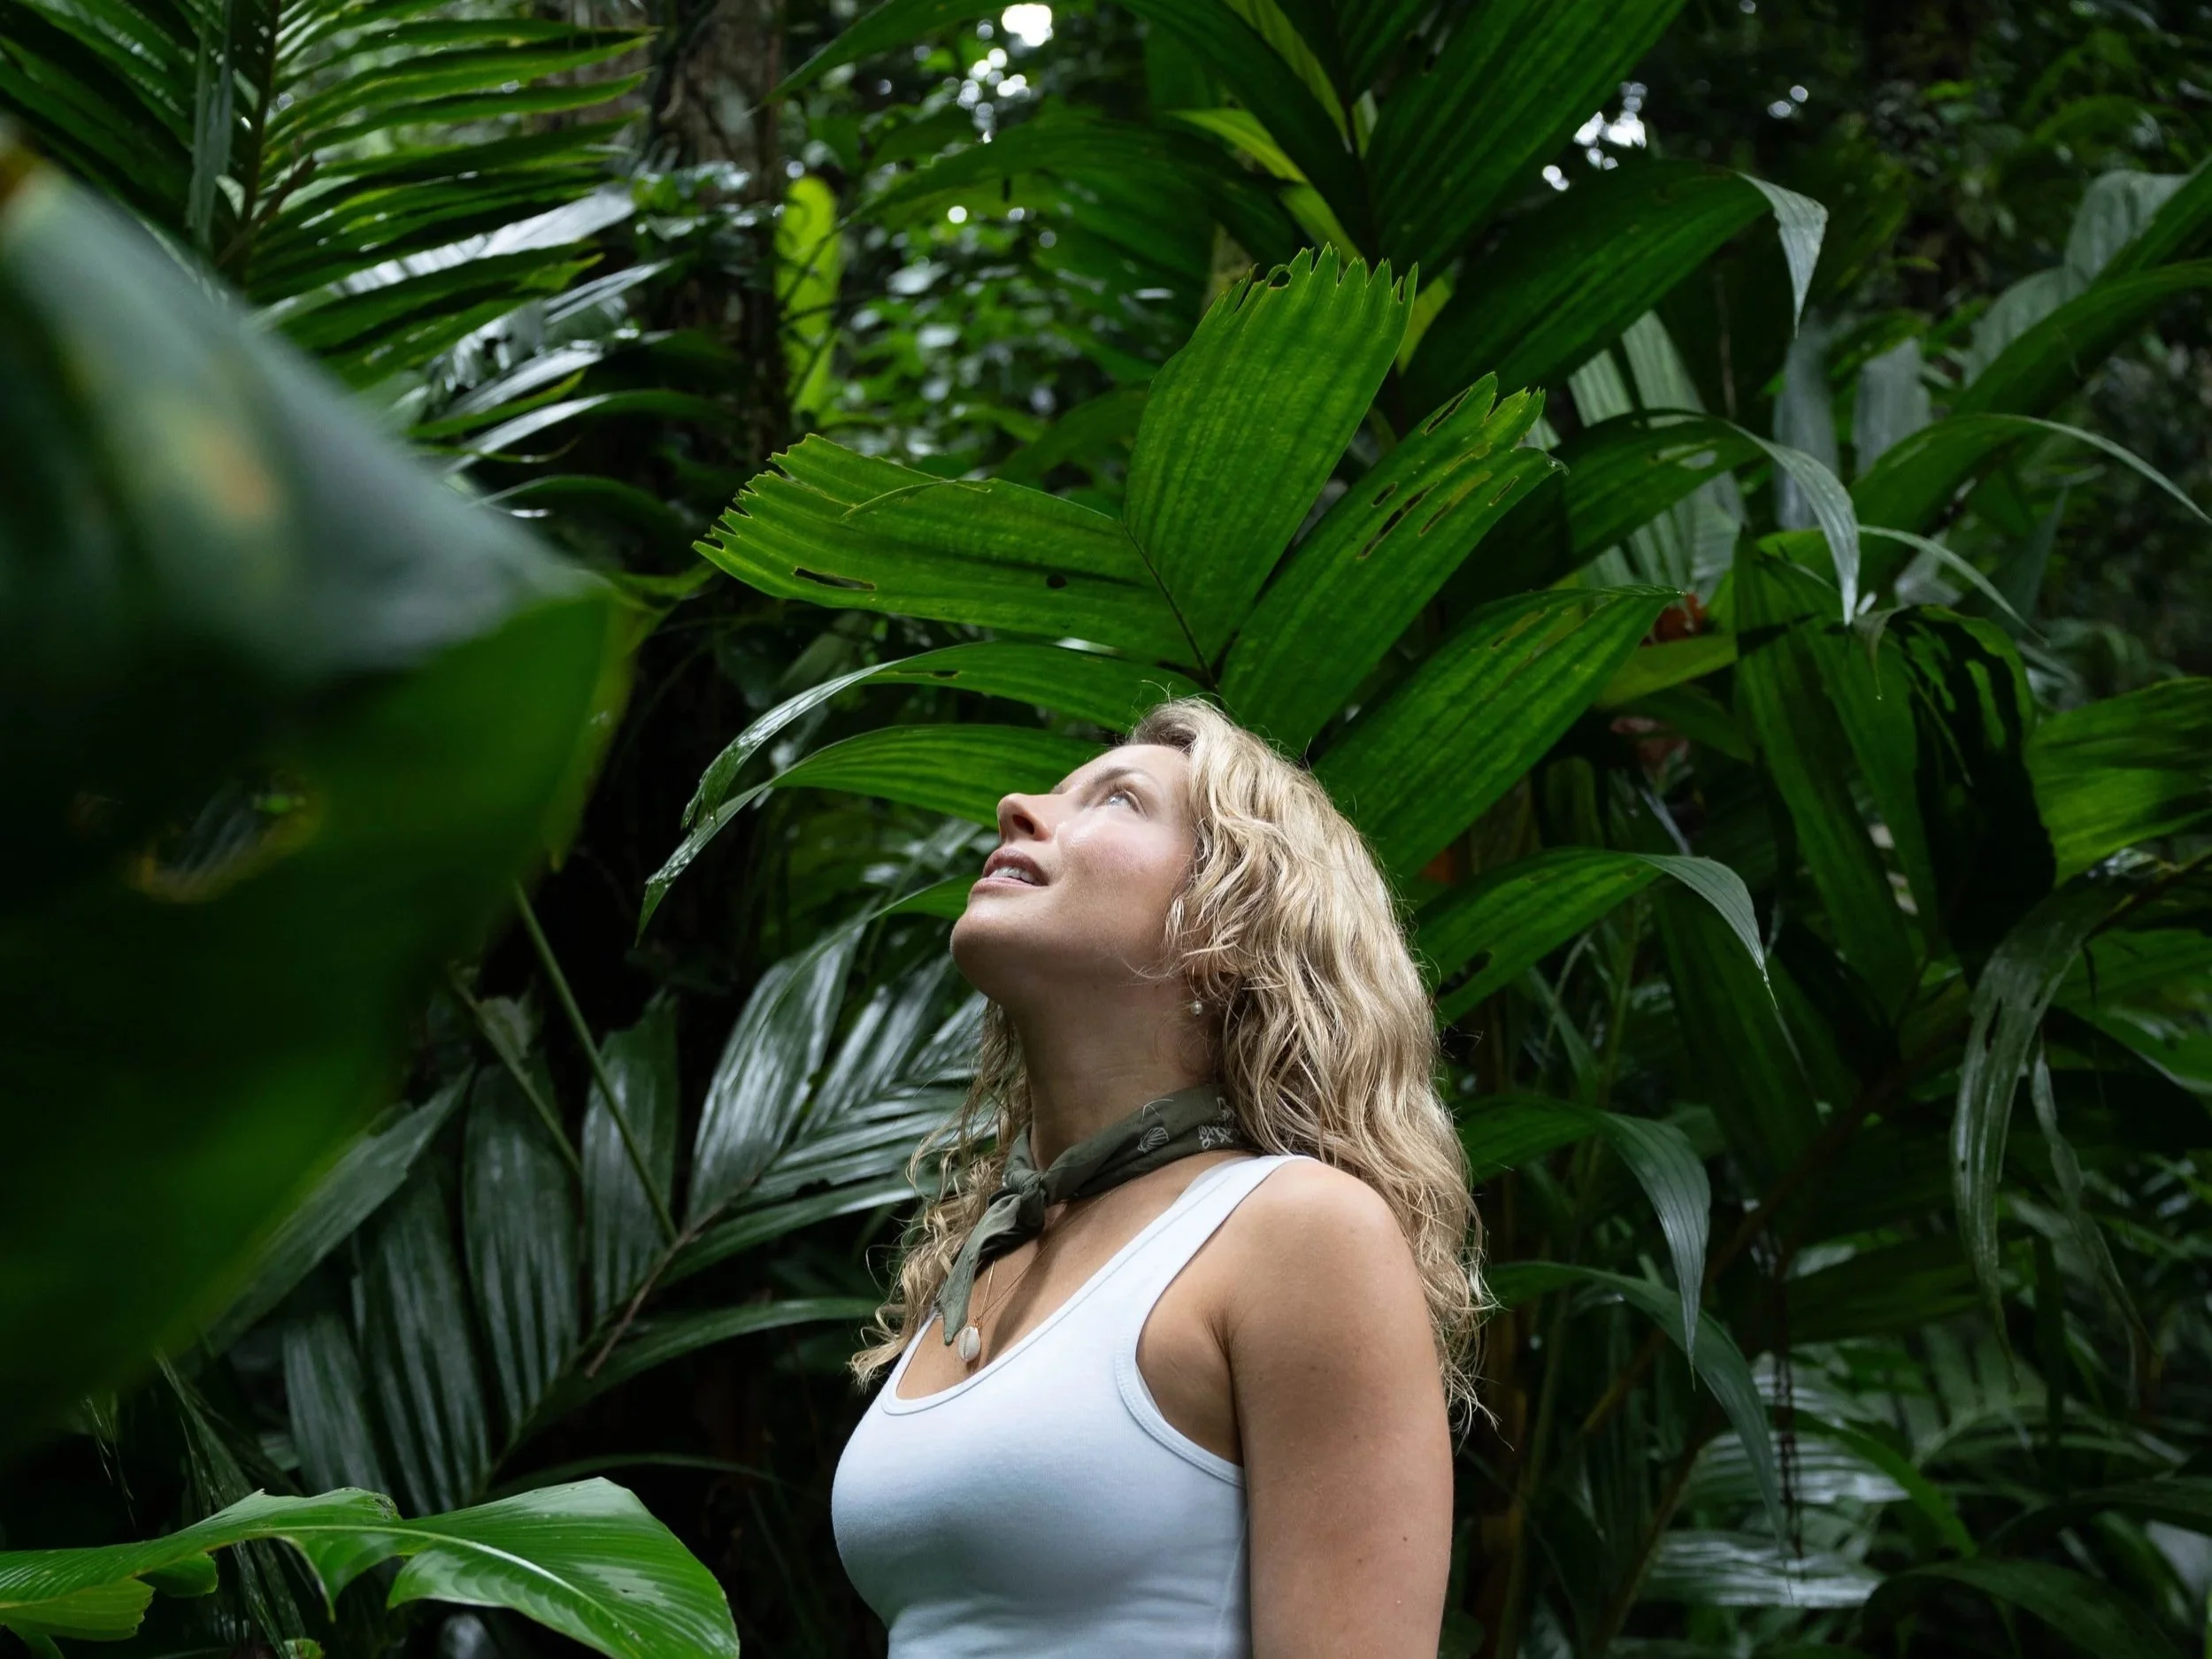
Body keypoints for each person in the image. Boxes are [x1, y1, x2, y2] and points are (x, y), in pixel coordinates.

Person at [831, 696, 1486, 1658]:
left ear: (1226, 926)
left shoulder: (1298, 1229)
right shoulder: (993, 1253)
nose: (1016, 806)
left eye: (1117, 799)